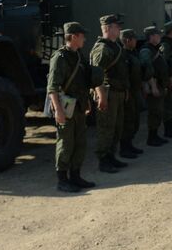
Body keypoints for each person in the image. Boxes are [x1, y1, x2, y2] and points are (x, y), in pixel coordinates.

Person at [47, 22, 95, 192]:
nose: (84, 39)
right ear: (74, 37)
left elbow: (82, 82)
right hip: (65, 107)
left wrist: (87, 100)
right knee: (66, 143)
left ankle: (75, 176)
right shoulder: (59, 58)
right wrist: (58, 110)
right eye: (82, 36)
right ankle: (62, 179)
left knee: (80, 142)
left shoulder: (79, 56)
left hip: (79, 105)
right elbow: (52, 87)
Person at [90, 14, 129, 173]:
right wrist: (101, 95)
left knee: (116, 128)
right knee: (106, 128)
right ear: (108, 28)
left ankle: (111, 156)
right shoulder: (103, 49)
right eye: (117, 26)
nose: (120, 29)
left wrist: (125, 90)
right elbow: (96, 75)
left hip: (118, 93)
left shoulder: (116, 46)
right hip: (108, 94)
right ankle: (103, 160)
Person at [139, 26, 169, 146]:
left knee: (158, 111)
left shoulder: (154, 49)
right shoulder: (146, 50)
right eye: (157, 35)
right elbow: (146, 69)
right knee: (154, 111)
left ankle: (155, 135)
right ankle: (151, 138)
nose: (160, 37)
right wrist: (152, 86)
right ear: (151, 36)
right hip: (154, 85)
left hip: (158, 84)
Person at [119, 28, 144, 159]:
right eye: (134, 39)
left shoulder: (133, 53)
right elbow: (124, 75)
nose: (136, 42)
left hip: (135, 91)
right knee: (127, 120)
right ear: (127, 40)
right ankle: (124, 148)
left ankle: (130, 145)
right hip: (128, 92)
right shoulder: (123, 55)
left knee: (134, 119)